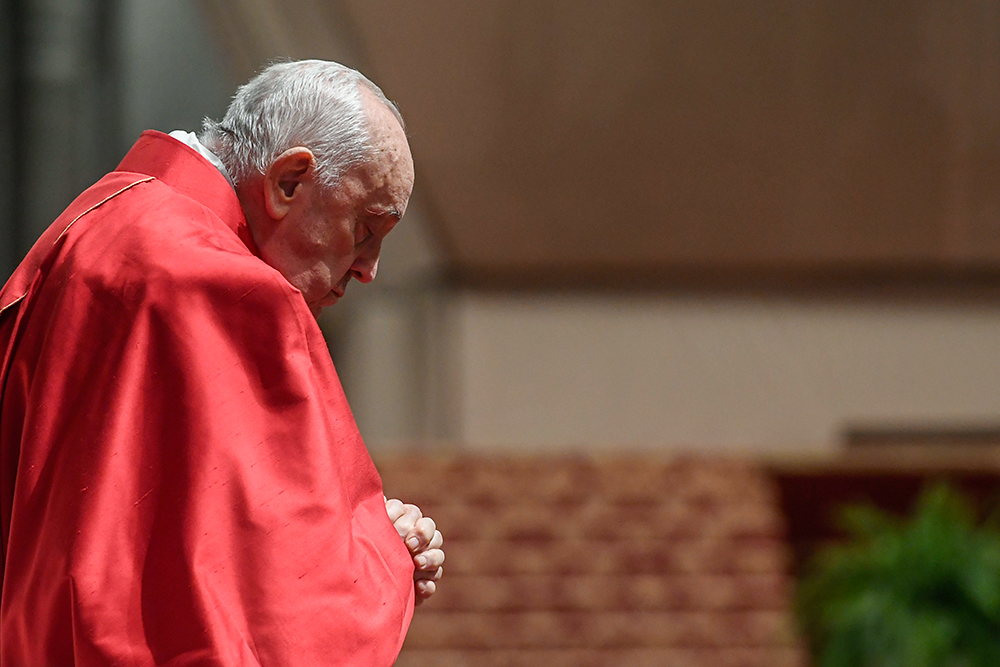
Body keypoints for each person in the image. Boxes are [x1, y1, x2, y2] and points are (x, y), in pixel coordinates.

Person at [0, 59, 443, 666]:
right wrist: (385, 554)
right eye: (365, 229)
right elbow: (290, 612)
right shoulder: (226, 290)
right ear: (289, 180)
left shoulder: (89, 223)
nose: (369, 268)